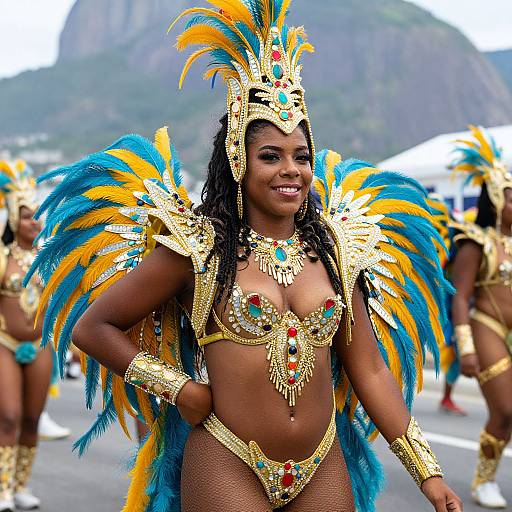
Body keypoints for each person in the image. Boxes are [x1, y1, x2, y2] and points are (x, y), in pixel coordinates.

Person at [28, 2, 462, 511]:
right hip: (227, 459)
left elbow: (370, 371)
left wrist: (428, 474)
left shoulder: (338, 250)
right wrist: (179, 389)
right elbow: (93, 327)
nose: (291, 170)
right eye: (271, 156)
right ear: (238, 159)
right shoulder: (199, 247)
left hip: (321, 463)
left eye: (301, 157)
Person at [450, 126, 512, 509]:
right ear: (495, 198)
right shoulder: (476, 241)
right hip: (486, 327)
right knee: (506, 409)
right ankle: (483, 480)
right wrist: (466, 348)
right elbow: (461, 297)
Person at [0, 160, 48, 511]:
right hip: (4, 344)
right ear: (15, 219)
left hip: (40, 346)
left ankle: (19, 486)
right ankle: (1, 489)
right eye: (29, 215)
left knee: (32, 418)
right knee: (9, 416)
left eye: (39, 215)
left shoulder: (49, 258)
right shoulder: (2, 258)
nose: (35, 222)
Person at [427, 194, 467, 416]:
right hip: (420, 296)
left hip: (447, 299)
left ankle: (447, 396)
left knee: (456, 347)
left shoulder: (457, 234)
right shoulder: (415, 231)